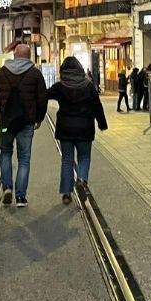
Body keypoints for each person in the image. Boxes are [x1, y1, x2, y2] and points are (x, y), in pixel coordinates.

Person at [0, 43, 47, 207]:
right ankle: (21, 197)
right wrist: (39, 118)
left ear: (14, 55)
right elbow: (42, 99)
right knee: (24, 158)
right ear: (29, 56)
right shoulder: (35, 73)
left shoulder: (2, 72)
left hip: (6, 122)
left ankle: (7, 187)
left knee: (6, 153)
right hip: (26, 122)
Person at [48, 57, 108, 205]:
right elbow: (97, 106)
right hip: (85, 128)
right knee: (84, 157)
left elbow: (44, 95)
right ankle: (81, 180)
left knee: (67, 160)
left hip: (66, 128)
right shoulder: (88, 86)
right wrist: (102, 123)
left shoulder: (60, 87)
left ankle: (67, 194)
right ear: (80, 70)